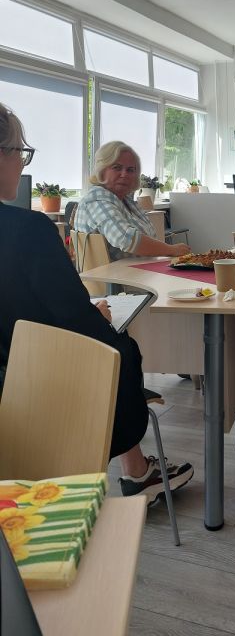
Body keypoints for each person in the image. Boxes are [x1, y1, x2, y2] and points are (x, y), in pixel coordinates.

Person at [0, 105, 193, 503]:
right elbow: (71, 316)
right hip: (35, 385)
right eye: (20, 152)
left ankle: (136, 470)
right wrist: (98, 317)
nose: (22, 163)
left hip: (14, 381)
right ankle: (130, 471)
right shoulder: (28, 230)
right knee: (118, 348)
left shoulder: (121, 204)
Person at [74, 141, 191, 262]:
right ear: (102, 171)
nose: (124, 174)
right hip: (114, 274)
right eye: (117, 168)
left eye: (130, 170)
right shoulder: (96, 200)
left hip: (136, 270)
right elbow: (126, 239)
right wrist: (171, 249)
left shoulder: (124, 200)